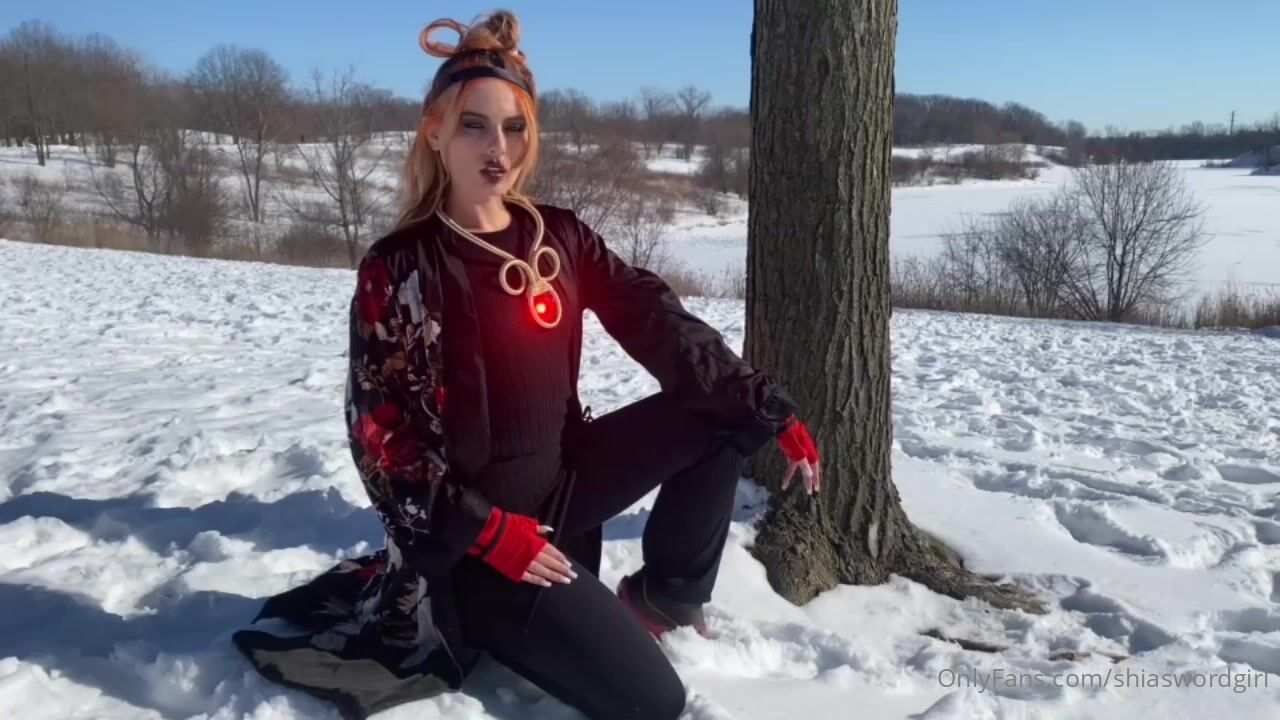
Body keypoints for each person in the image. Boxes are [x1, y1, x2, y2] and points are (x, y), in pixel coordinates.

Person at [233, 10, 822, 720]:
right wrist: (485, 531)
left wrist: (765, 403)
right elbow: (382, 439)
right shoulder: (402, 265)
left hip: (567, 483)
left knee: (725, 413)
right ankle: (495, 612)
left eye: (514, 128)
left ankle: (663, 597)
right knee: (654, 701)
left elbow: (653, 316)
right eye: (474, 126)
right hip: (479, 545)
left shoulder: (559, 235)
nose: (498, 148)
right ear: (434, 132)